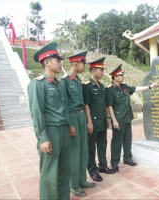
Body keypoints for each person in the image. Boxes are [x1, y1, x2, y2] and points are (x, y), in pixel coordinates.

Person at [27, 42, 70, 199]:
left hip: (64, 130)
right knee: (49, 174)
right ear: (47, 62)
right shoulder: (37, 84)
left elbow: (63, 108)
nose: (60, 63)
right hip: (51, 132)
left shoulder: (58, 84)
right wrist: (43, 138)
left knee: (65, 170)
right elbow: (37, 113)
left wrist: (69, 126)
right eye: (57, 60)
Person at [106, 64, 157, 172]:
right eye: (120, 75)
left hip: (127, 117)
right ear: (114, 77)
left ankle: (127, 158)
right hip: (118, 120)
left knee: (127, 139)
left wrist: (149, 87)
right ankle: (114, 162)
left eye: (123, 75)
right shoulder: (110, 90)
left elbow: (137, 88)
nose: (122, 77)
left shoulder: (125, 87)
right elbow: (109, 106)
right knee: (116, 141)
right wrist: (113, 120)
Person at [60, 51, 96, 197]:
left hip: (81, 118)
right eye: (82, 63)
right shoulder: (65, 81)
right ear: (75, 64)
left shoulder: (78, 81)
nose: (84, 66)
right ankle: (73, 185)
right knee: (74, 154)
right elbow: (64, 105)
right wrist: (69, 125)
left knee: (83, 151)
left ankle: (82, 180)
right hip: (73, 118)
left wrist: (87, 121)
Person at [83, 57, 115, 182]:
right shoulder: (87, 86)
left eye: (103, 69)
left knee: (102, 144)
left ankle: (103, 166)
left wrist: (107, 118)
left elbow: (103, 105)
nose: (102, 72)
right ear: (94, 70)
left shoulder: (101, 86)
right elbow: (87, 106)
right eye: (101, 70)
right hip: (93, 122)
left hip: (102, 120)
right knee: (91, 147)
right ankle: (92, 170)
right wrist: (89, 122)